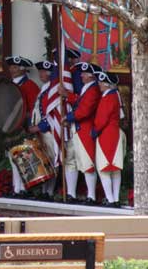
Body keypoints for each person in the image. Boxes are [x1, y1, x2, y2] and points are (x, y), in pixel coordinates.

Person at [59, 62, 101, 204]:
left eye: (84, 74)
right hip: (76, 130)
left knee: (87, 163)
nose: (81, 76)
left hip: (84, 131)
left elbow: (85, 110)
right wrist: (67, 95)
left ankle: (91, 196)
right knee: (70, 161)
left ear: (90, 76)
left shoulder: (94, 90)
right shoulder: (87, 88)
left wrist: (68, 117)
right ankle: (71, 193)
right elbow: (79, 101)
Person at [5, 55, 39, 194]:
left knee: (23, 159)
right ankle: (16, 188)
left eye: (15, 67)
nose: (12, 70)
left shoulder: (30, 86)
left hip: (22, 128)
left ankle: (24, 189)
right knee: (13, 159)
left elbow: (34, 110)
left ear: (23, 69)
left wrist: (28, 126)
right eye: (11, 67)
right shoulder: (9, 85)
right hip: (11, 128)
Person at [92, 71, 126, 207]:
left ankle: (110, 199)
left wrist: (94, 131)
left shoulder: (107, 98)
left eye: (101, 82)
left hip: (106, 135)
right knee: (115, 169)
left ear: (106, 84)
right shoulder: (114, 96)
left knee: (104, 168)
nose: (99, 84)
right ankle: (115, 199)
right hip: (115, 134)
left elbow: (101, 120)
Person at [28, 60, 59, 199]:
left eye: (43, 72)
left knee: (51, 161)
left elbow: (52, 113)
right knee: (43, 161)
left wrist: (39, 127)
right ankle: (44, 191)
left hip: (48, 131)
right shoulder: (44, 89)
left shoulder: (51, 90)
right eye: (40, 71)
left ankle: (49, 192)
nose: (40, 74)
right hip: (40, 132)